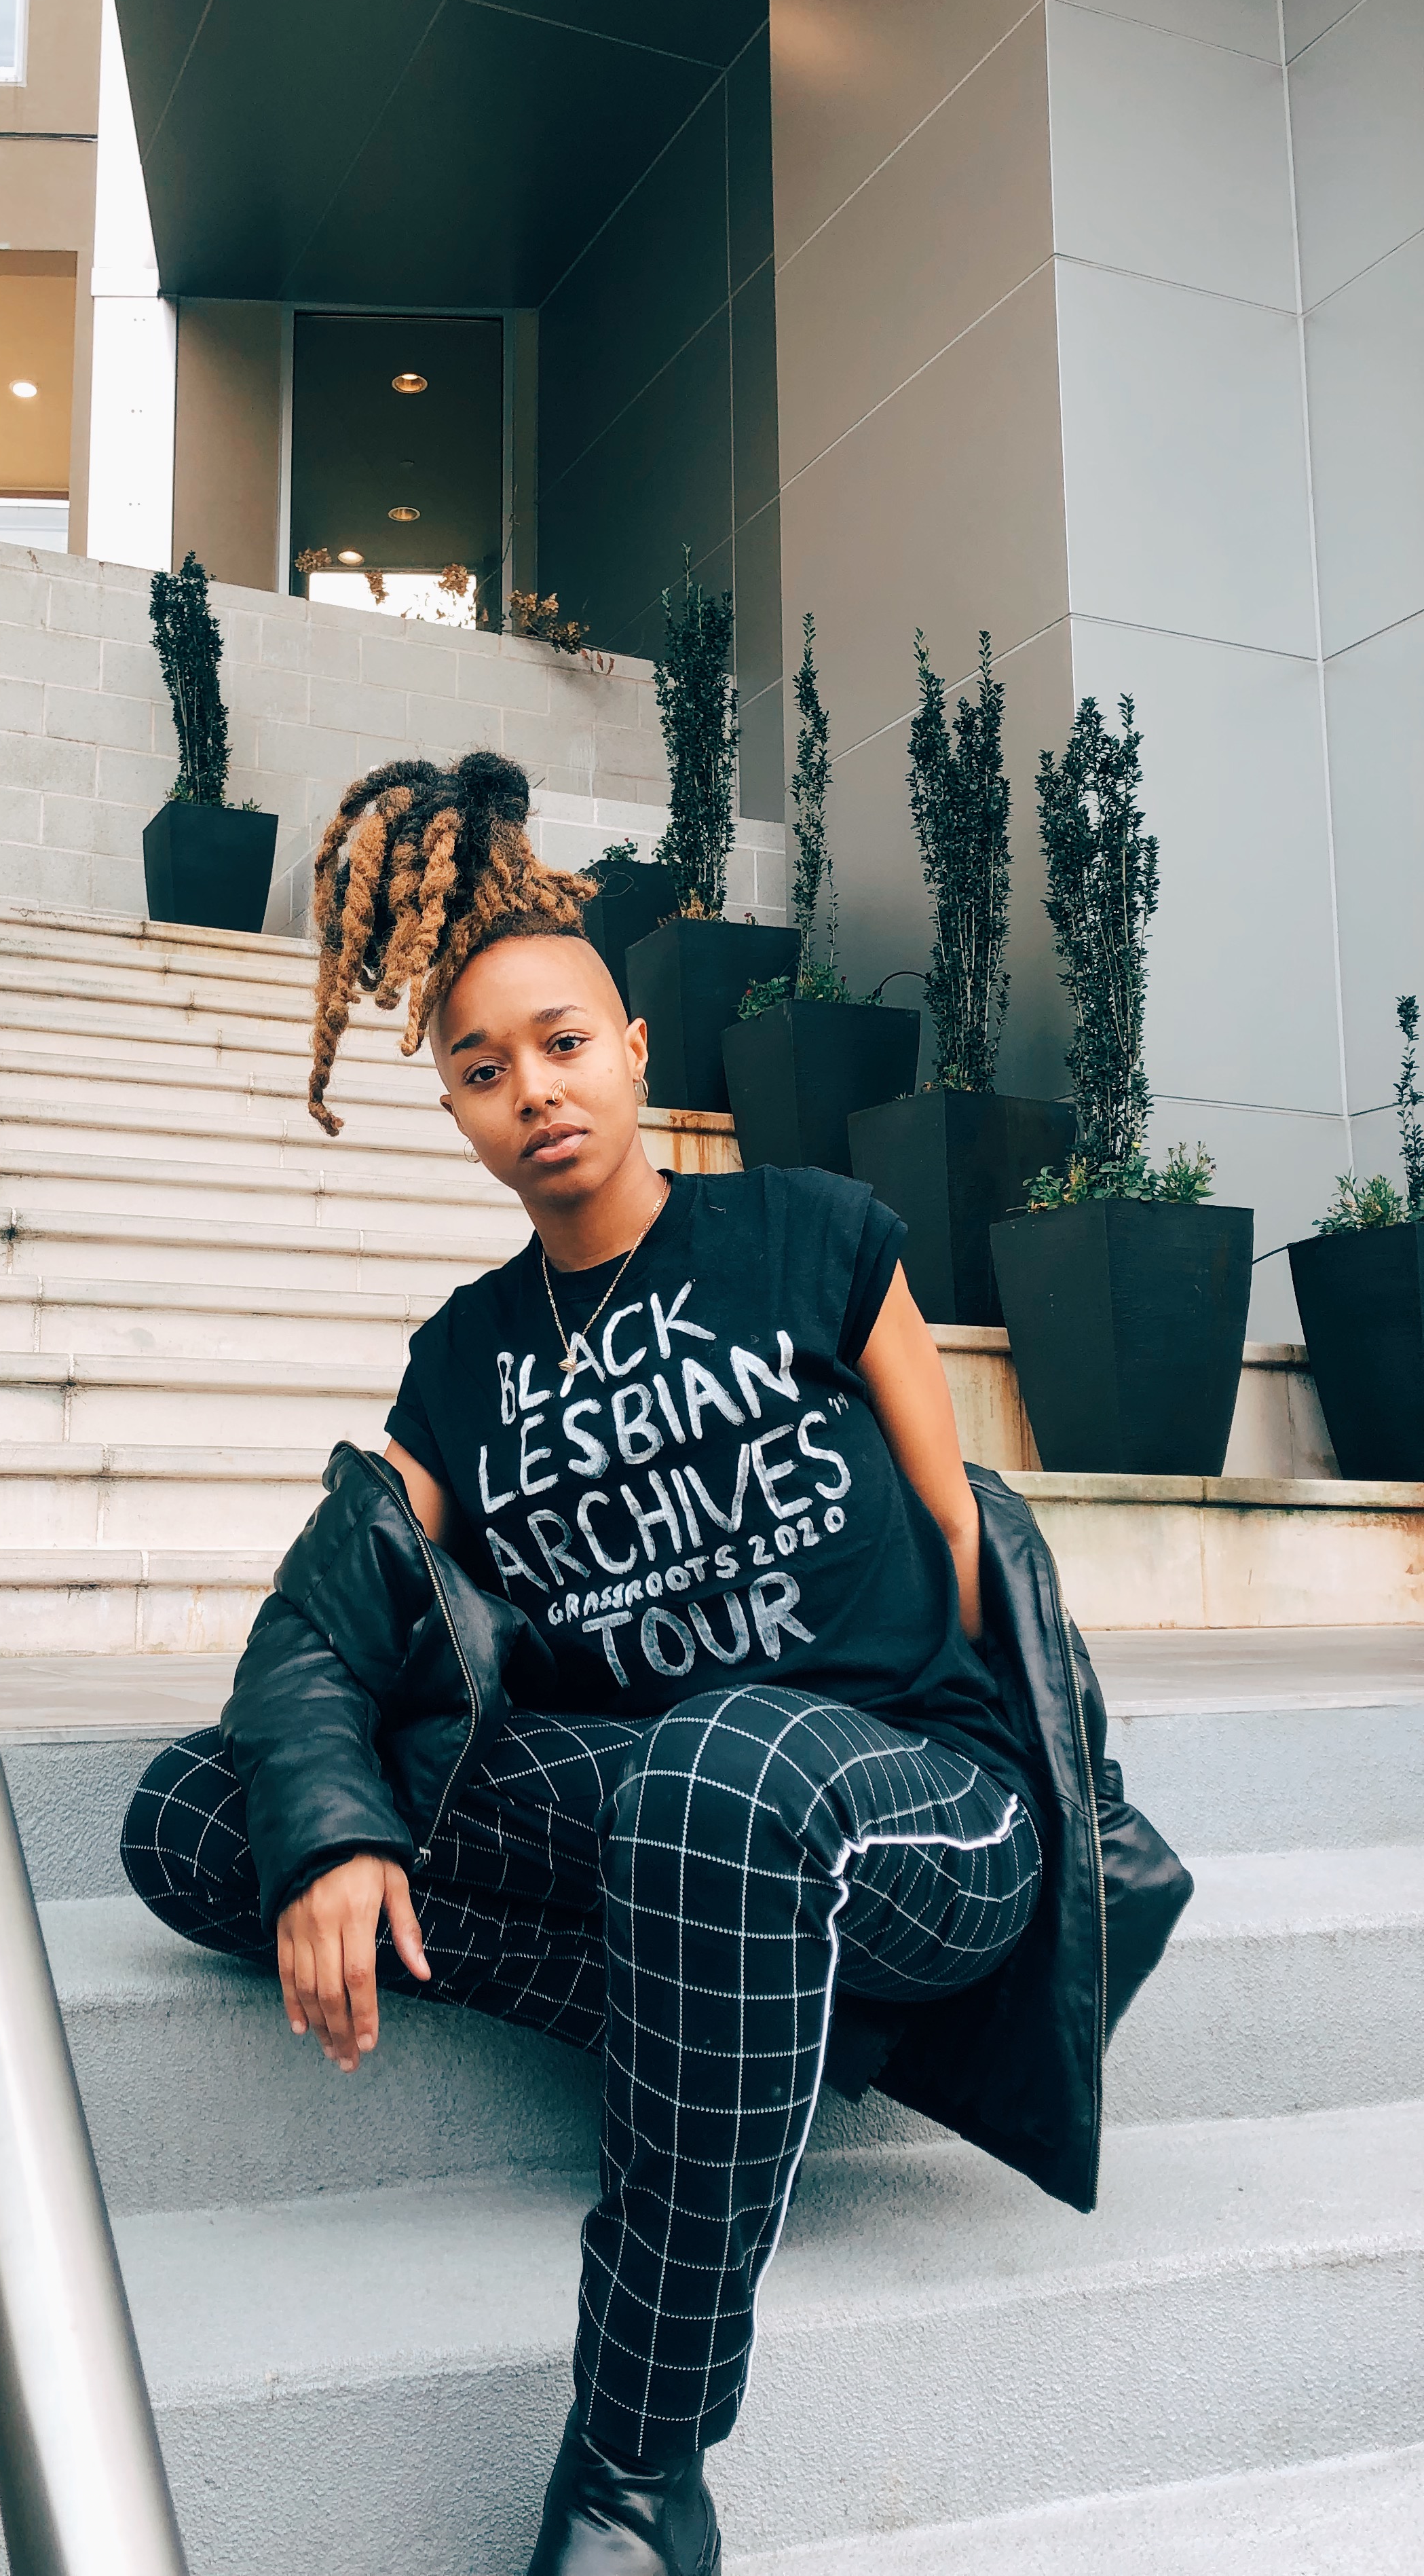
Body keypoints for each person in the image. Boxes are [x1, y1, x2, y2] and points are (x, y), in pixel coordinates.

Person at [122, 753, 1188, 2575]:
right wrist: (333, 1824)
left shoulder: (815, 1237)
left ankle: (630, 2480)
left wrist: (957, 1770)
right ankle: (744, 2007)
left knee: (726, 1769)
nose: (532, 1090)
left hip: (919, 1806)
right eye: (481, 1068)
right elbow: (329, 1614)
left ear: (628, 1044)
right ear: (452, 1106)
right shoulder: (461, 1365)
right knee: (204, 1818)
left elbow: (963, 1539)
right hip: (676, 1818)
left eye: (561, 1042)